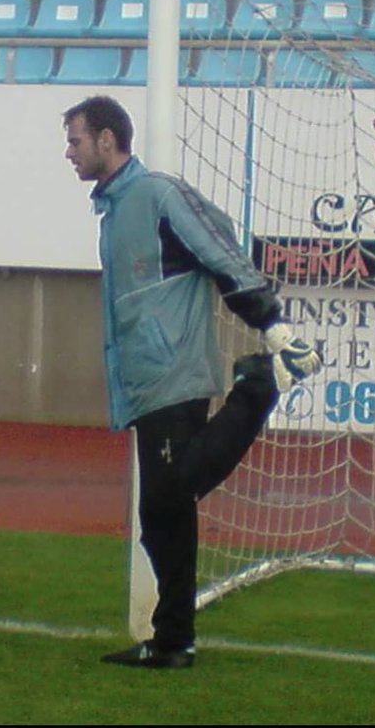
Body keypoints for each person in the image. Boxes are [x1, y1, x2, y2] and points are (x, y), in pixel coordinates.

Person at [63, 95, 321, 670]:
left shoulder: (156, 194)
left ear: (108, 140)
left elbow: (217, 244)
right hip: (146, 381)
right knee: (161, 516)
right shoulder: (113, 210)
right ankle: (174, 640)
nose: (69, 152)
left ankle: (260, 385)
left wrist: (270, 325)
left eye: (76, 141)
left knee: (170, 495)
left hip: (175, 371)